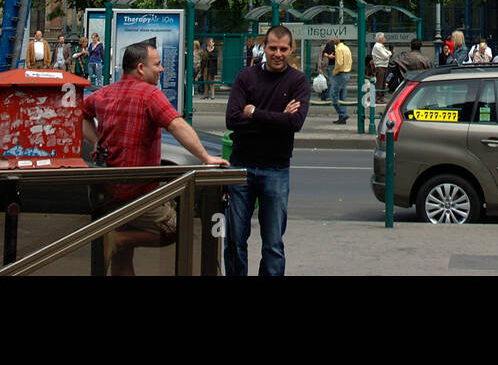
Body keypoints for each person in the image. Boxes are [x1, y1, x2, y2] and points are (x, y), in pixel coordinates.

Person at [82, 42, 227, 275]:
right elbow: (177, 125)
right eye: (157, 64)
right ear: (141, 68)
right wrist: (205, 157)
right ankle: (118, 239)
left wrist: (97, 141)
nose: (161, 69)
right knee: (174, 229)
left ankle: (118, 240)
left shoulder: (106, 92)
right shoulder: (150, 94)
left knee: (122, 259)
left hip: (108, 191)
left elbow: (80, 112)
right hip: (139, 192)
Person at [225, 25, 310, 276]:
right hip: (241, 167)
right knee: (235, 240)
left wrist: (253, 113)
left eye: (283, 49)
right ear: (264, 46)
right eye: (273, 48)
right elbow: (232, 120)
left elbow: (294, 124)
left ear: (292, 49)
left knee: (273, 243)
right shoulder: (245, 77)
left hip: (276, 167)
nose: (277, 54)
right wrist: (277, 119)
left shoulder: (298, 81)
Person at [329, 38, 352, 124]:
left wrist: (334, 72)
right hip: (347, 73)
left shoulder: (338, 49)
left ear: (338, 40)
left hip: (340, 73)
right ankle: (342, 117)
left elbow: (339, 63)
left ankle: (343, 113)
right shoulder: (347, 48)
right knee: (343, 96)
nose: (333, 39)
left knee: (333, 95)